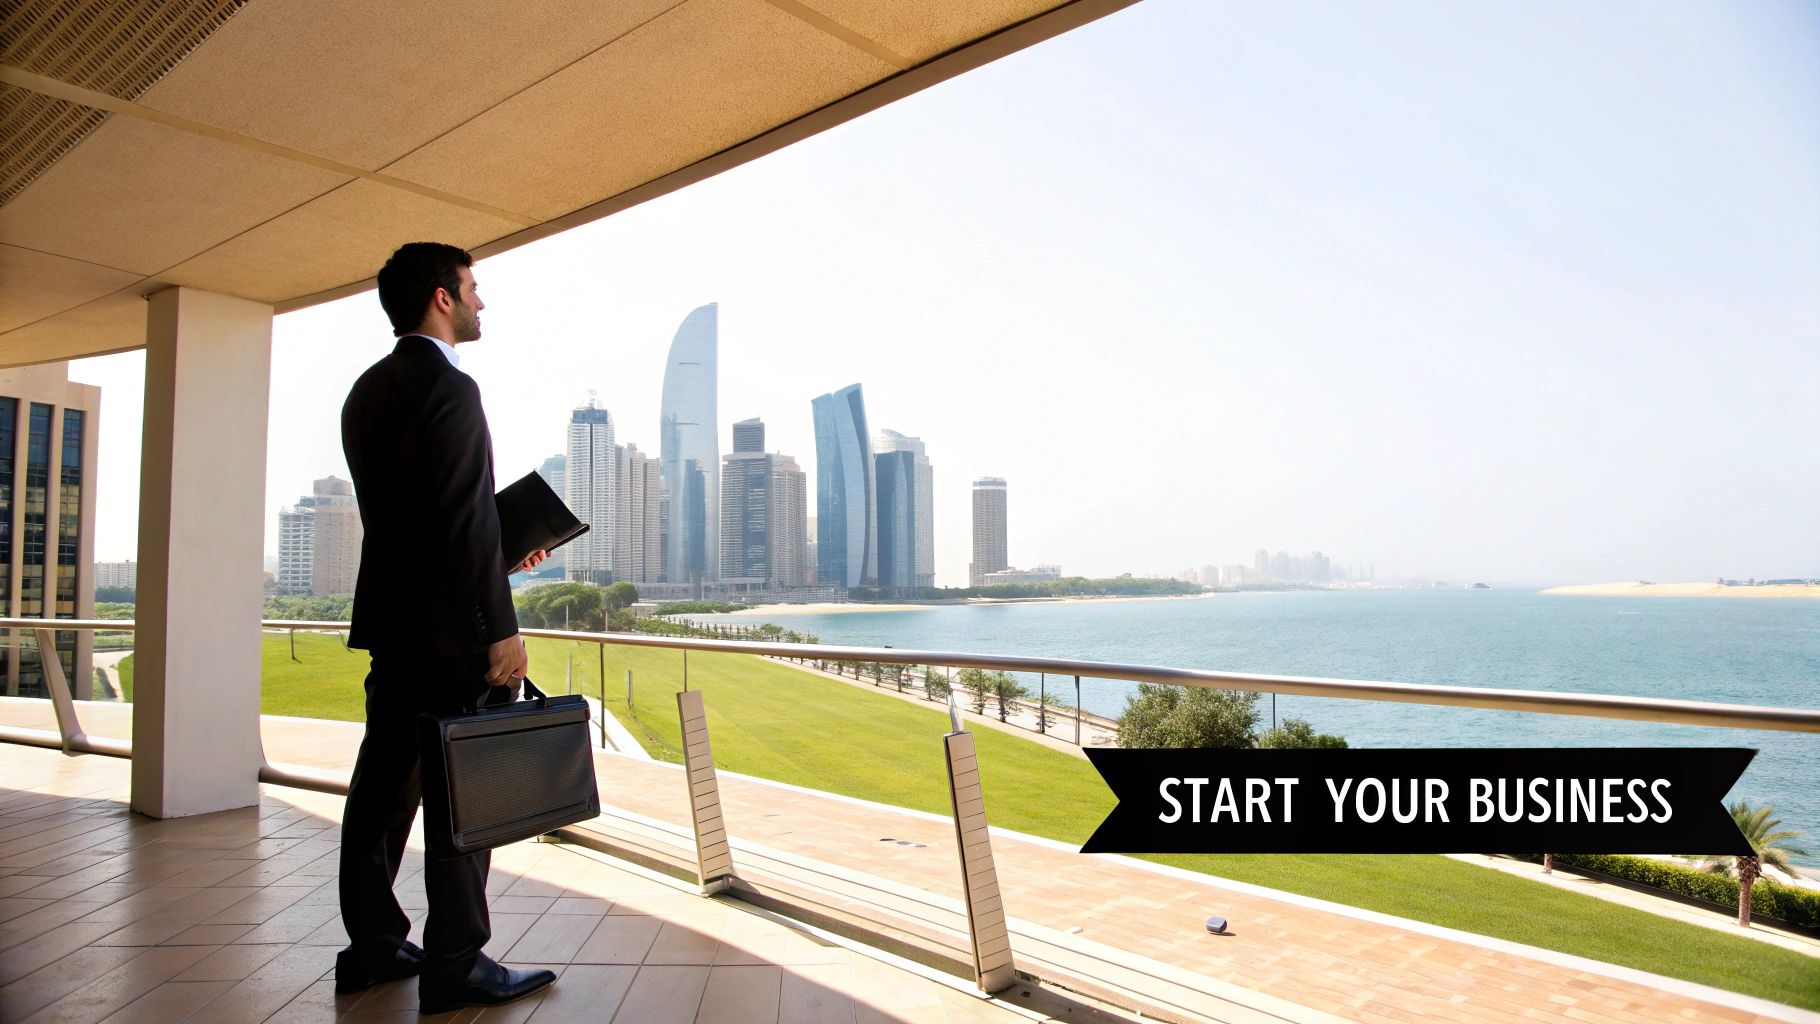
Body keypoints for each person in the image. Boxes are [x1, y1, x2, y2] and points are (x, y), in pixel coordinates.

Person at [336, 241, 554, 1013]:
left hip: (394, 633)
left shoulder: (365, 391)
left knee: (382, 794)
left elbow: (421, 524)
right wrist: (501, 624)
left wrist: (500, 554)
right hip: (456, 638)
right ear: (440, 297)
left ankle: (371, 946)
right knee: (468, 799)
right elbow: (461, 519)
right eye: (472, 288)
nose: (481, 303)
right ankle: (457, 961)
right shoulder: (454, 390)